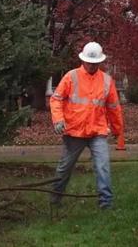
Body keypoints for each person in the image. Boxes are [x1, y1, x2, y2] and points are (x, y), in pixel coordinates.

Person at [49, 41, 124, 210]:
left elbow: (114, 107)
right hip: (74, 131)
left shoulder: (106, 80)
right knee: (64, 168)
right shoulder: (71, 76)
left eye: (95, 63)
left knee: (102, 166)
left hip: (97, 131)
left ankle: (106, 203)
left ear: (100, 62)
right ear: (83, 60)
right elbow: (56, 99)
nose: (91, 65)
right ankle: (55, 198)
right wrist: (58, 119)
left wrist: (118, 130)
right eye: (89, 62)